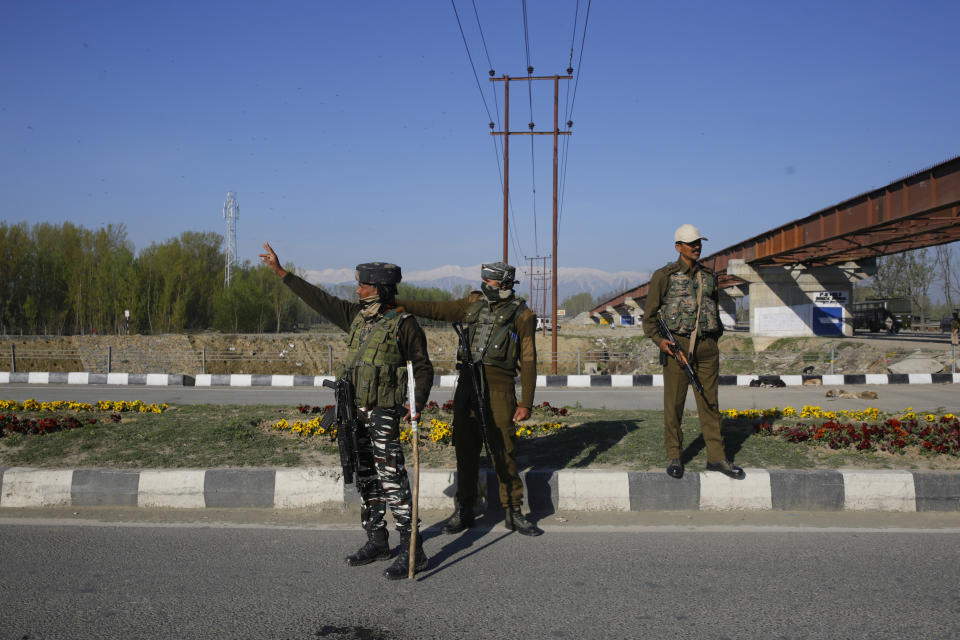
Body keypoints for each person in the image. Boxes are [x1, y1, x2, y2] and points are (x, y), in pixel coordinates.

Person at [259, 242, 433, 579]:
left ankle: (415, 548)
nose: (357, 289)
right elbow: (319, 300)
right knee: (365, 476)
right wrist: (282, 274)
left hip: (383, 412)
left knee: (391, 478)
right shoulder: (357, 317)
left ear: (380, 289)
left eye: (363, 285)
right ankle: (377, 540)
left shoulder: (404, 324)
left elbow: (423, 368)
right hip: (353, 412)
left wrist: (417, 404)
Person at [395, 262, 543, 536]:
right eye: (484, 280)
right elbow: (437, 309)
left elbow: (530, 359)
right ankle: (464, 509)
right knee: (465, 448)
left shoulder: (523, 315)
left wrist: (526, 402)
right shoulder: (473, 303)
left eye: (491, 281)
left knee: (504, 450)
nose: (486, 284)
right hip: (467, 385)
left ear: (505, 283)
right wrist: (400, 304)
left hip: (500, 389)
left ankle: (513, 510)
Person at [641, 224, 745, 480]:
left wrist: (713, 339)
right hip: (676, 347)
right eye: (691, 243)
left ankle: (717, 457)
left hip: (707, 348)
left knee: (710, 404)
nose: (696, 247)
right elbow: (649, 318)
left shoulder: (709, 276)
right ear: (678, 247)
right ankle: (675, 456)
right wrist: (660, 342)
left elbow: (714, 309)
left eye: (699, 243)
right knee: (674, 404)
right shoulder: (663, 276)